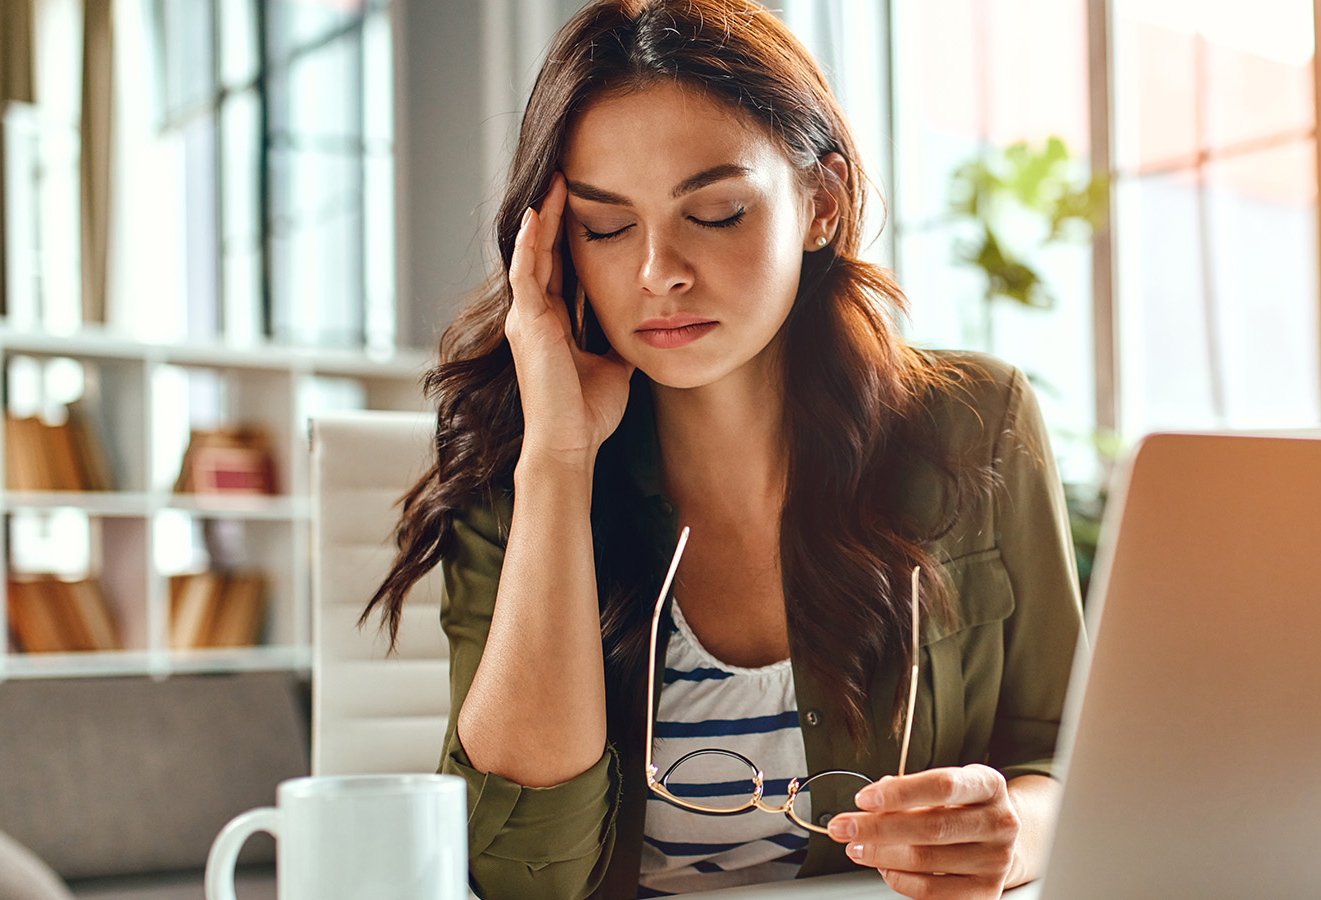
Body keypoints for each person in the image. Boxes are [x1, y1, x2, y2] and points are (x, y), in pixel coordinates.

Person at [365, 1, 1084, 898]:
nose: (658, 271)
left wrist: (1013, 834)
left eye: (715, 212)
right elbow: (521, 874)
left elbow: (1064, 752)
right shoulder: (515, 466)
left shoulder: (979, 422)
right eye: (606, 226)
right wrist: (556, 458)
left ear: (820, 203)